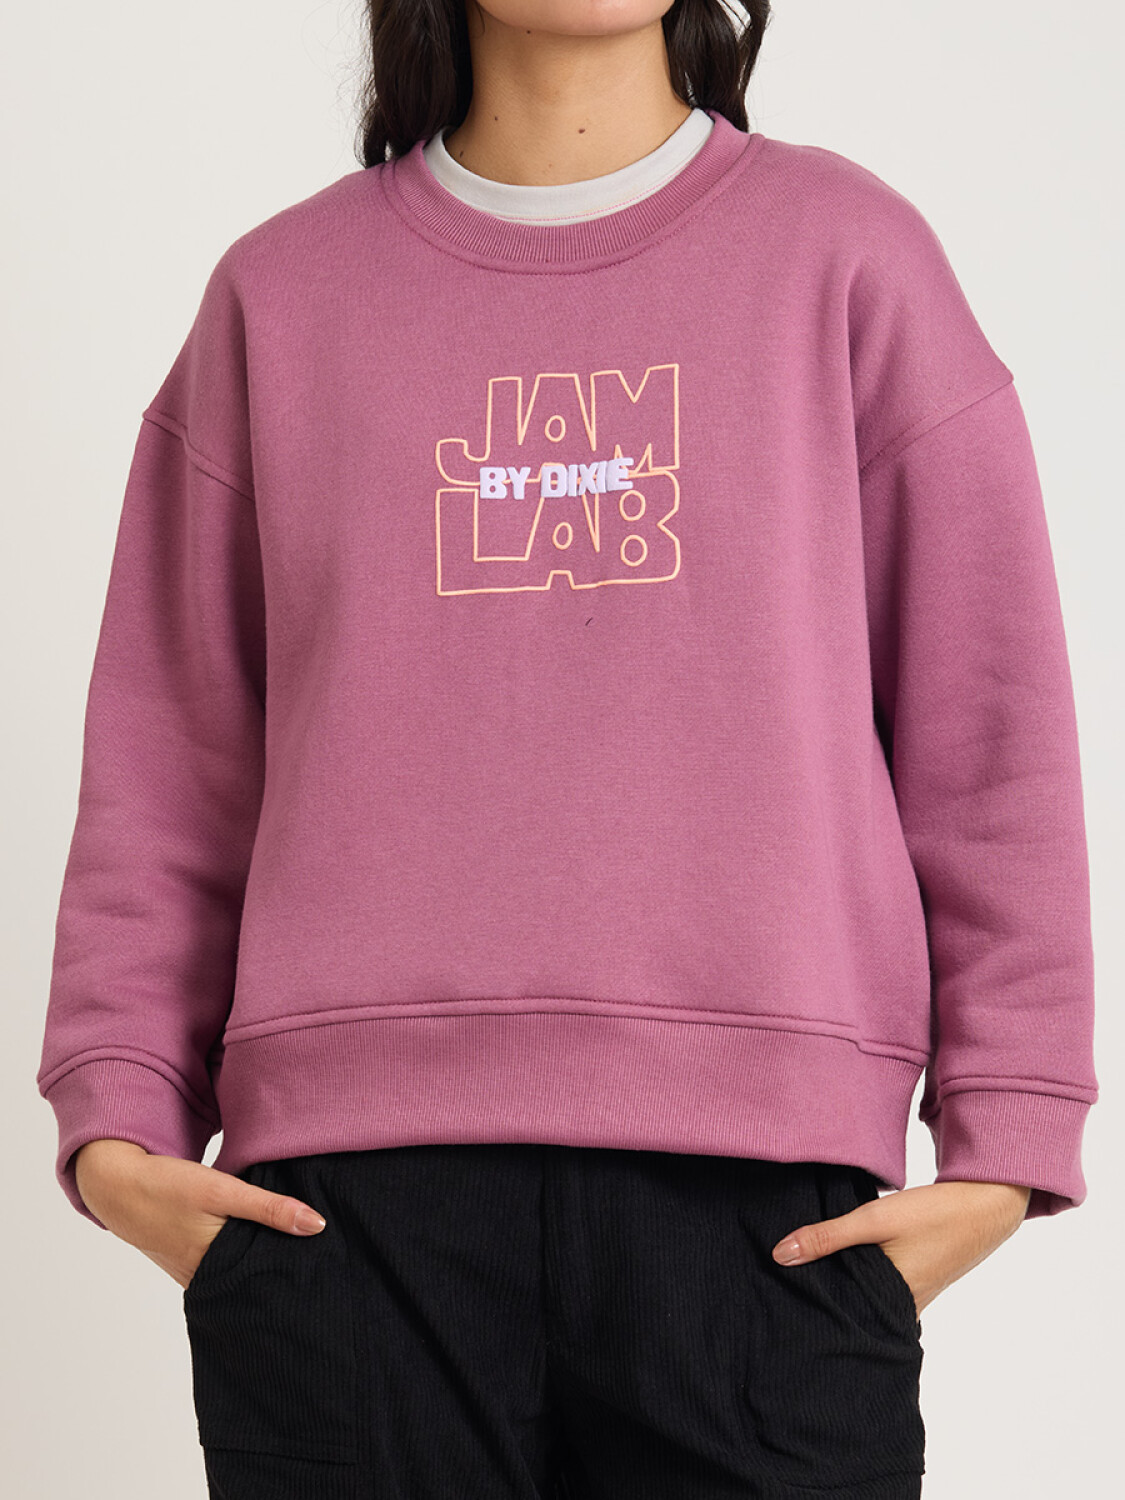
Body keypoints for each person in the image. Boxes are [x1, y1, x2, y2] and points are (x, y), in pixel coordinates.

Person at [37, 1, 1097, 1495]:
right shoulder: (280, 296)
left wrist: (1008, 1140)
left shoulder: (849, 261)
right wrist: (118, 1117)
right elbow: (174, 756)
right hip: (347, 1225)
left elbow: (986, 729)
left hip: (768, 1225)